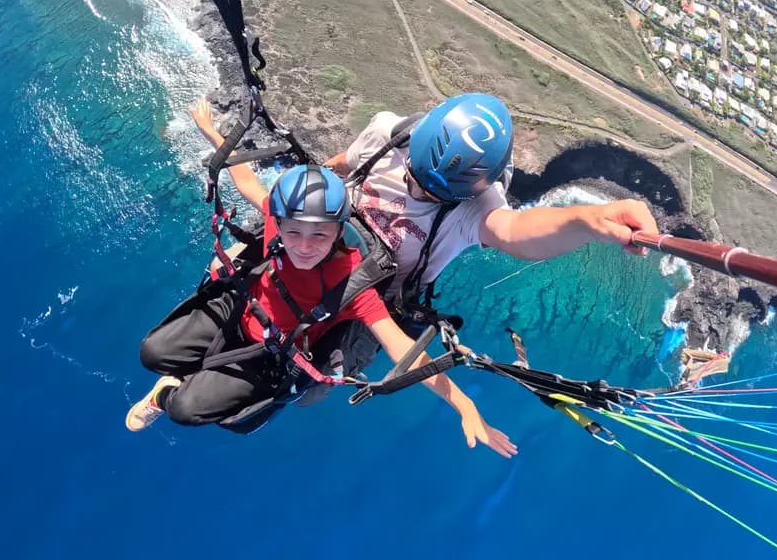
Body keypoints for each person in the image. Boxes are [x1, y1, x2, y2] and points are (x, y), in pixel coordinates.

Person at [125, 99, 517, 458]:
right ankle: (176, 374)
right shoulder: (282, 221)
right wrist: (212, 133)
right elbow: (247, 182)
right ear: (281, 222)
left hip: (270, 354)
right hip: (240, 311)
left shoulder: (354, 282)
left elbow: (404, 351)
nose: (304, 246)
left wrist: (464, 405)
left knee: (182, 408)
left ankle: (163, 397)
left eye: (319, 236)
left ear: (338, 230)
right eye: (293, 233)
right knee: (152, 353)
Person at [323, 92, 661, 304]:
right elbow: (348, 162)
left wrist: (584, 220)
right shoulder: (390, 135)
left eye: (432, 196)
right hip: (324, 239)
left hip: (368, 298)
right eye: (413, 181)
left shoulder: (476, 207)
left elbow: (515, 232)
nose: (417, 194)